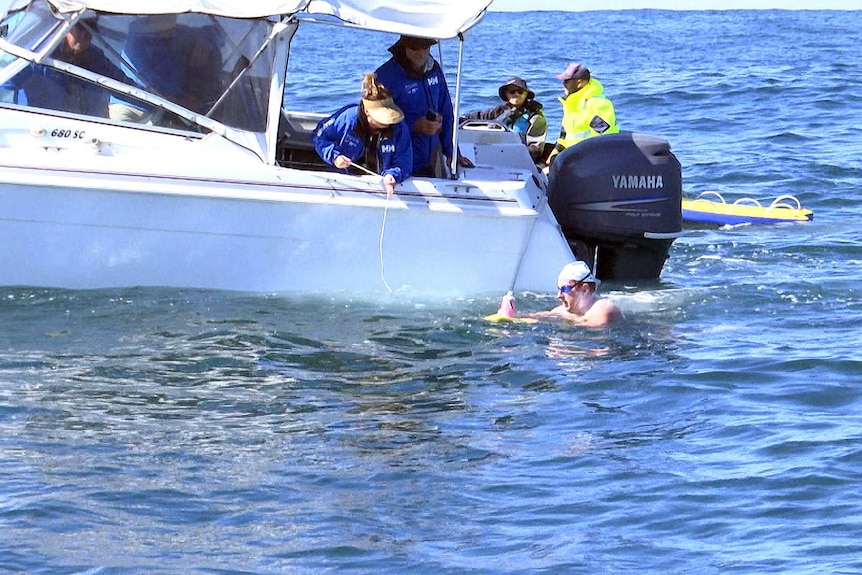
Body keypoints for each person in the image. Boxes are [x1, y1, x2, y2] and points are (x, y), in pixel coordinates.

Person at [313, 73, 412, 198]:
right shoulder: (347, 118)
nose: (386, 123)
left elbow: (404, 162)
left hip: (380, 185)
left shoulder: (399, 128)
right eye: (381, 118)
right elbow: (319, 136)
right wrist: (335, 157)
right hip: (344, 183)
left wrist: (392, 175)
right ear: (367, 112)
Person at [109, 14, 223, 123]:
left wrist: (205, 41)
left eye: (172, 15)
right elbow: (150, 80)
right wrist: (183, 98)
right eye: (164, 16)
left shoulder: (177, 32)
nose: (170, 18)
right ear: (152, 16)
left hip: (165, 107)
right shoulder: (136, 41)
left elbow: (217, 33)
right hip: (130, 107)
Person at [374, 35, 457, 177]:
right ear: (403, 47)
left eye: (426, 46)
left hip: (428, 160)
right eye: (414, 47)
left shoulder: (435, 70)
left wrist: (452, 153)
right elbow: (373, 121)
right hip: (396, 161)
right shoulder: (384, 77)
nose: (421, 52)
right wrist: (413, 125)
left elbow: (446, 112)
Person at [7, 21, 125, 117]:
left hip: (87, 130)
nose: (84, 36)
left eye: (89, 31)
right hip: (39, 129)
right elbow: (7, 82)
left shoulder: (95, 57)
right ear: (64, 30)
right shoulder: (39, 55)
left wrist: (143, 100)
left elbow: (123, 85)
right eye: (79, 29)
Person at [461, 76, 547, 162]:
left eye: (520, 91)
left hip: (521, 161)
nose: (516, 94)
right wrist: (460, 119)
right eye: (512, 91)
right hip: (494, 155)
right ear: (506, 94)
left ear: (526, 94)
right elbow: (480, 116)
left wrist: (513, 156)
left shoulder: (536, 117)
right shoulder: (499, 111)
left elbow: (535, 149)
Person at [546, 62, 619, 165]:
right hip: (572, 160)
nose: (563, 85)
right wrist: (553, 156)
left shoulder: (597, 104)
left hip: (590, 164)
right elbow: (565, 136)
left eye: (566, 81)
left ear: (579, 83)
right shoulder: (571, 105)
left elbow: (604, 143)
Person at [525, 261, 624, 327]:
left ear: (585, 290)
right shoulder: (566, 310)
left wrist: (548, 324)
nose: (559, 295)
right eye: (559, 289)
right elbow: (544, 315)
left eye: (565, 289)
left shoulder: (603, 308)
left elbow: (589, 327)